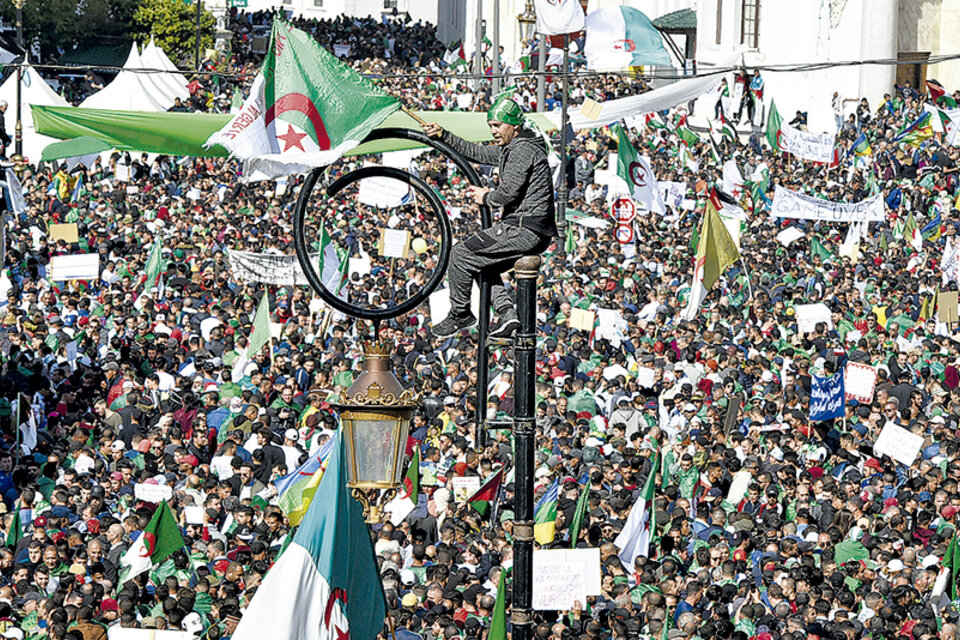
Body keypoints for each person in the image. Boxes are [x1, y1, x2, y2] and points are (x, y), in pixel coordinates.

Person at [419, 95, 556, 339]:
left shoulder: (523, 149)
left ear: (514, 125)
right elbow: (479, 153)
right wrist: (444, 135)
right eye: (490, 125)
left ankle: (460, 313)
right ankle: (506, 314)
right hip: (529, 229)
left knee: (461, 254)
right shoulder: (513, 148)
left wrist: (487, 198)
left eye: (497, 125)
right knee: (482, 261)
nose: (493, 131)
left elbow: (510, 190)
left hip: (524, 228)